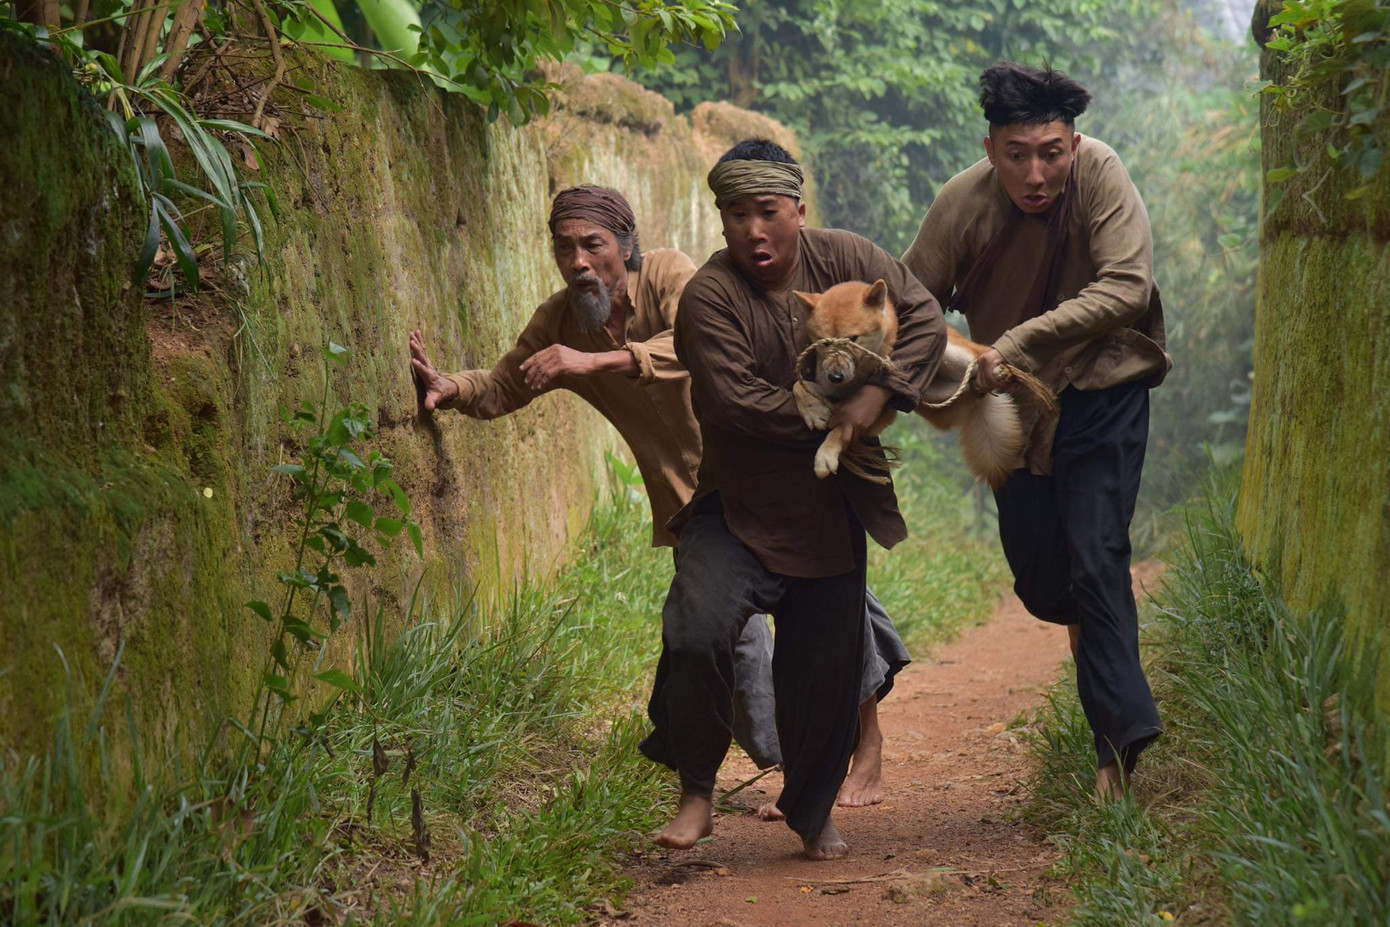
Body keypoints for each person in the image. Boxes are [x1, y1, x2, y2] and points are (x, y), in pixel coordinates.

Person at [408, 184, 911, 810]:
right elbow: (507, 382)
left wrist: (603, 363)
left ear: (626, 245)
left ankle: (865, 746)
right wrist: (450, 386)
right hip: (696, 507)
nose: (579, 262)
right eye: (564, 249)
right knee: (731, 640)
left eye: (593, 245)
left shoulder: (673, 275)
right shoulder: (563, 321)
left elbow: (700, 341)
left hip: (769, 472)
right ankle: (797, 771)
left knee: (832, 614)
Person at [641, 139, 947, 859]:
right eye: (736, 214)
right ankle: (696, 789)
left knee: (826, 666)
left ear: (798, 211)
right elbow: (734, 400)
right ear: (720, 220)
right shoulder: (709, 298)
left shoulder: (847, 258)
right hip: (736, 503)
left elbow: (926, 320)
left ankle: (812, 811)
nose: (753, 230)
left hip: (827, 505)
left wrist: (876, 394)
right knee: (694, 628)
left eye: (768, 212)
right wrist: (834, 415)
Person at [901, 62, 1170, 798]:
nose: (1036, 172)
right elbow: (910, 303)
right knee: (1045, 581)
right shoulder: (963, 203)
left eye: (1051, 151)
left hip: (1103, 385)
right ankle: (1102, 655)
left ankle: (1119, 750)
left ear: (1073, 144)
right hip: (1012, 403)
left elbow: (1128, 286)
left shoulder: (1101, 175)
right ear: (990, 150)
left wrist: (1013, 342)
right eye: (1017, 154)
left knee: (1097, 553)